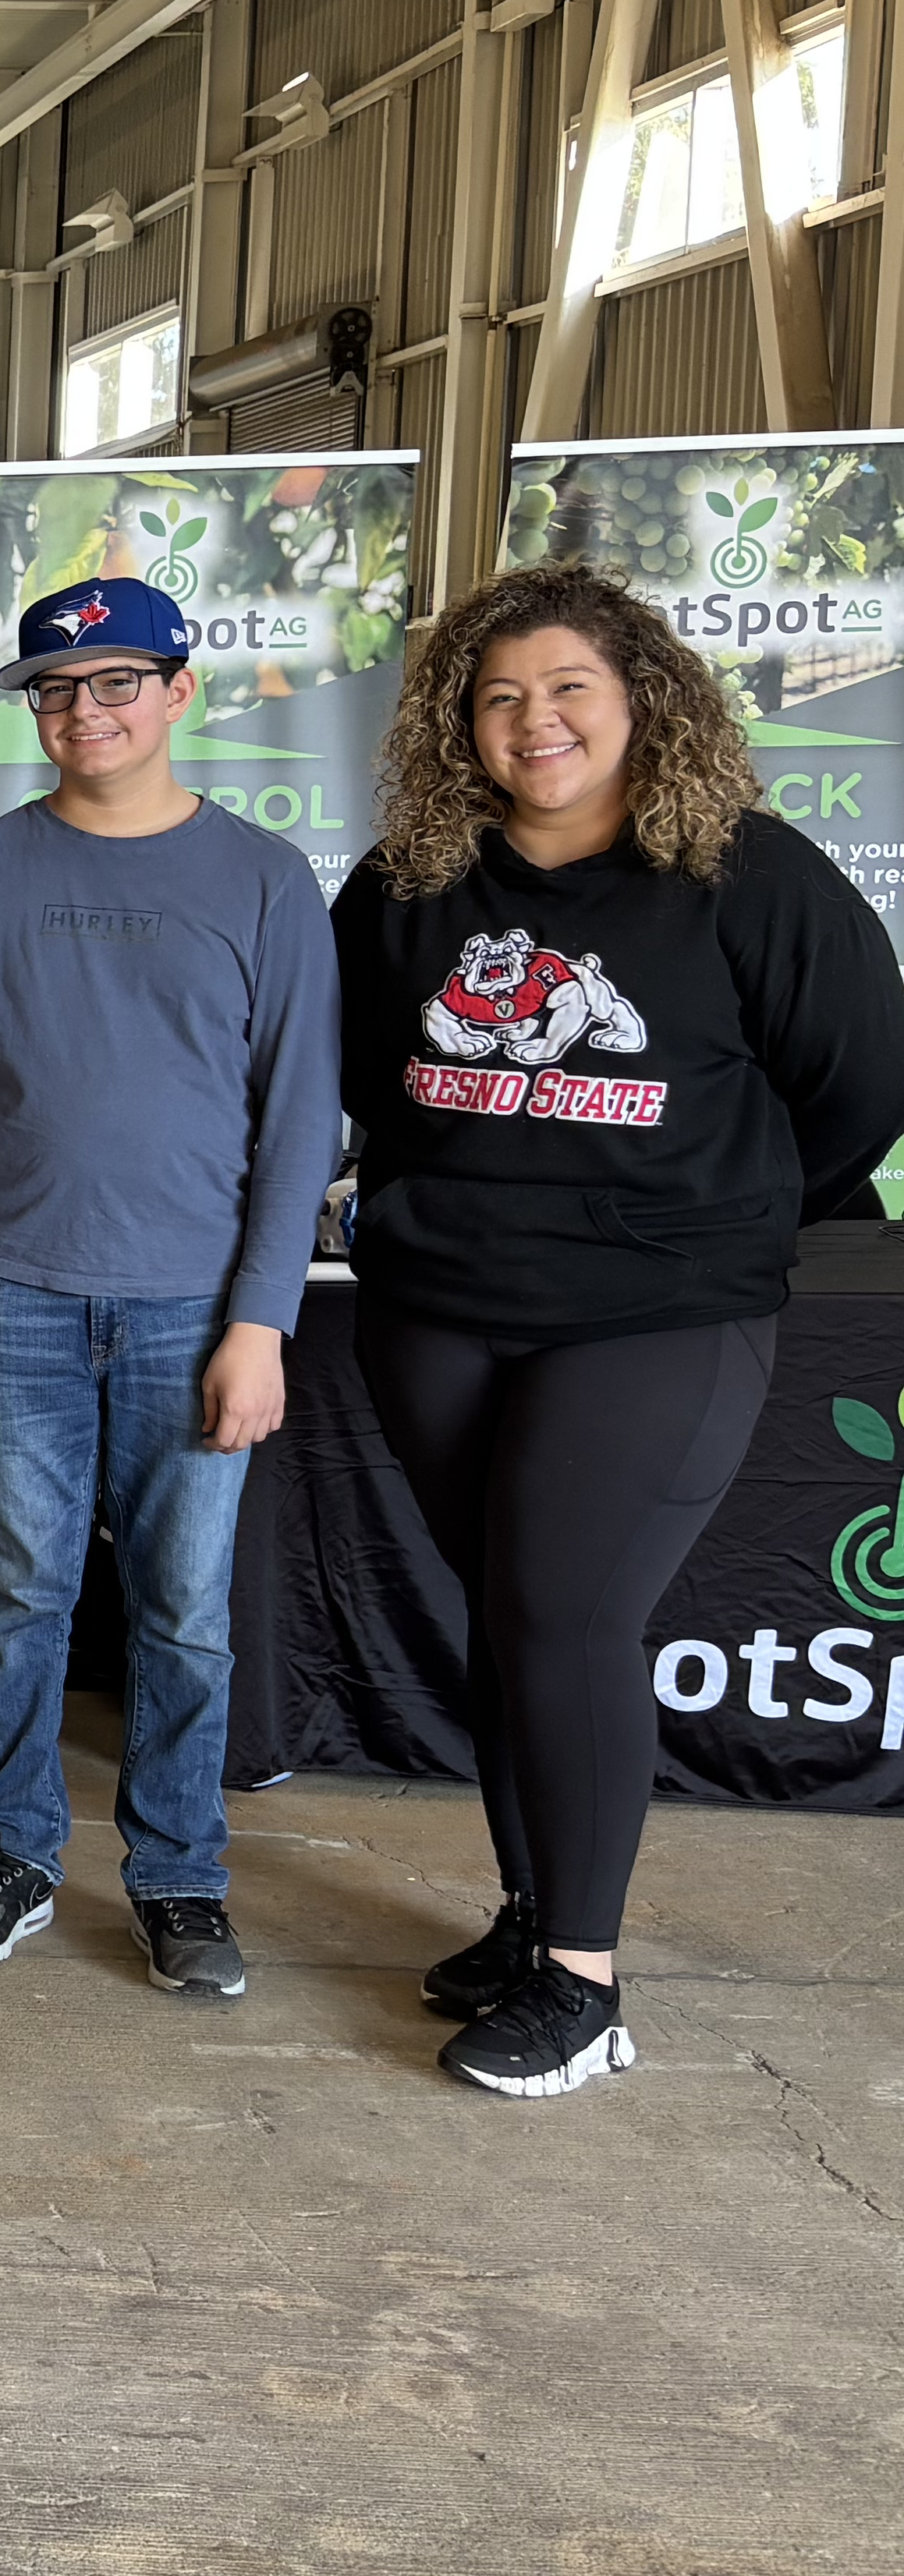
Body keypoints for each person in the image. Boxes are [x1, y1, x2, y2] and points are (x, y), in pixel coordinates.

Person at [331, 561, 904, 2096]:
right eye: (500, 694)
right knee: (513, 1619)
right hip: (442, 1309)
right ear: (461, 722)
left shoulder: (747, 877)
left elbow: (855, 1085)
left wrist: (708, 1217)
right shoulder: (409, 885)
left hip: (657, 1317)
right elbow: (375, 1079)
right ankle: (531, 1918)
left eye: (568, 688)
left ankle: (583, 1984)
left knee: (573, 1619)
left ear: (642, 698)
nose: (536, 721)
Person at [0, 580, 339, 1999]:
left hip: (193, 1312)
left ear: (181, 694)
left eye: (118, 684)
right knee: (17, 1593)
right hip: (6, 1297)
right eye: (60, 691)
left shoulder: (263, 882)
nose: (88, 712)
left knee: (183, 1608)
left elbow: (302, 1115)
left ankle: (181, 1880)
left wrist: (264, 1320)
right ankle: (13, 1849)